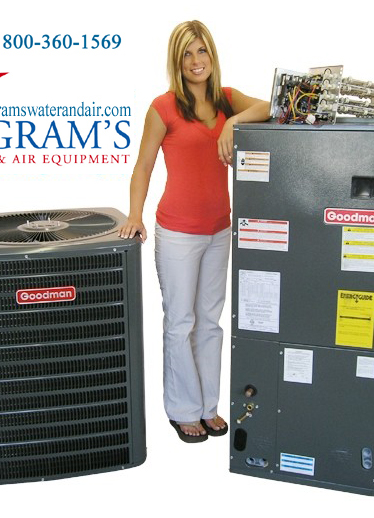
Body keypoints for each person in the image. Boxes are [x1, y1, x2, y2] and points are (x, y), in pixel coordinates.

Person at [118, 20, 270, 443]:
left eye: (201, 51)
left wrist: (232, 122)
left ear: (212, 55)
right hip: (178, 234)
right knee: (180, 321)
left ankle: (207, 406)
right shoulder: (163, 107)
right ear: (176, 61)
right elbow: (143, 167)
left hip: (219, 230)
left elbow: (270, 106)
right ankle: (183, 410)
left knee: (210, 322)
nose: (195, 60)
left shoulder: (227, 99)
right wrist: (135, 215)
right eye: (186, 53)